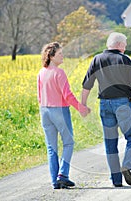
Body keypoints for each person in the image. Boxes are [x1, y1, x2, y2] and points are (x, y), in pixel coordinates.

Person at [81, 32, 131, 187]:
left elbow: (87, 85)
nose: (125, 49)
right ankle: (128, 166)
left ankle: (116, 180)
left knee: (110, 143)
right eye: (124, 45)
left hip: (104, 105)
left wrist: (83, 104)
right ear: (119, 45)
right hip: (123, 105)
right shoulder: (124, 59)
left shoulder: (97, 59)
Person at [37, 42, 90, 189]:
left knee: (51, 147)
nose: (62, 56)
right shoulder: (59, 72)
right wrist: (81, 108)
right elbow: (67, 95)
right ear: (51, 56)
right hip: (59, 111)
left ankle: (55, 182)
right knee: (68, 143)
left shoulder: (41, 72)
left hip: (45, 111)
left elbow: (39, 96)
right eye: (60, 53)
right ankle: (63, 175)